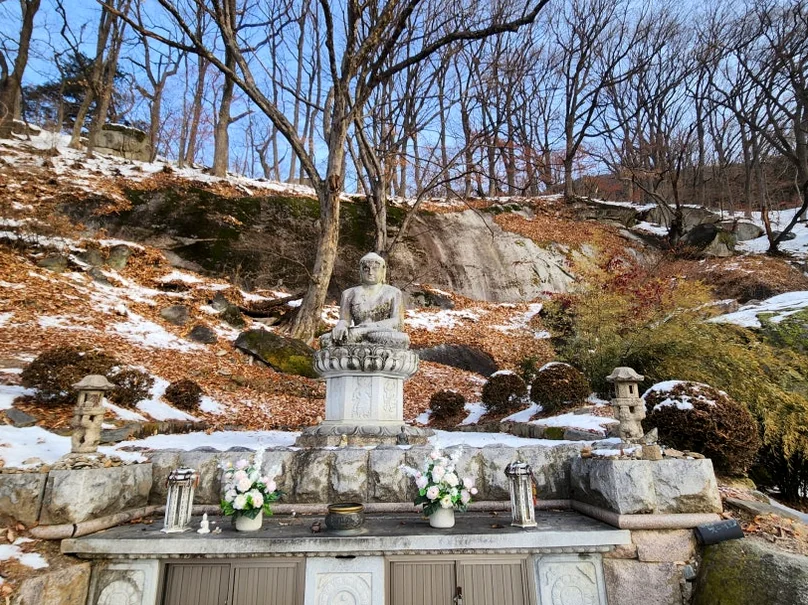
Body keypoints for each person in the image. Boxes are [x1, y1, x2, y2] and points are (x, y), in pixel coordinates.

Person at [320, 252, 409, 348]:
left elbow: (398, 322)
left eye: (375, 269)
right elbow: (345, 320)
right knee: (326, 340)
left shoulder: (393, 292)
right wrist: (341, 326)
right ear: (360, 272)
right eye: (366, 269)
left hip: (381, 333)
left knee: (402, 339)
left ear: (383, 271)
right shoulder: (348, 294)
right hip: (356, 333)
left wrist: (367, 328)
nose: (370, 273)